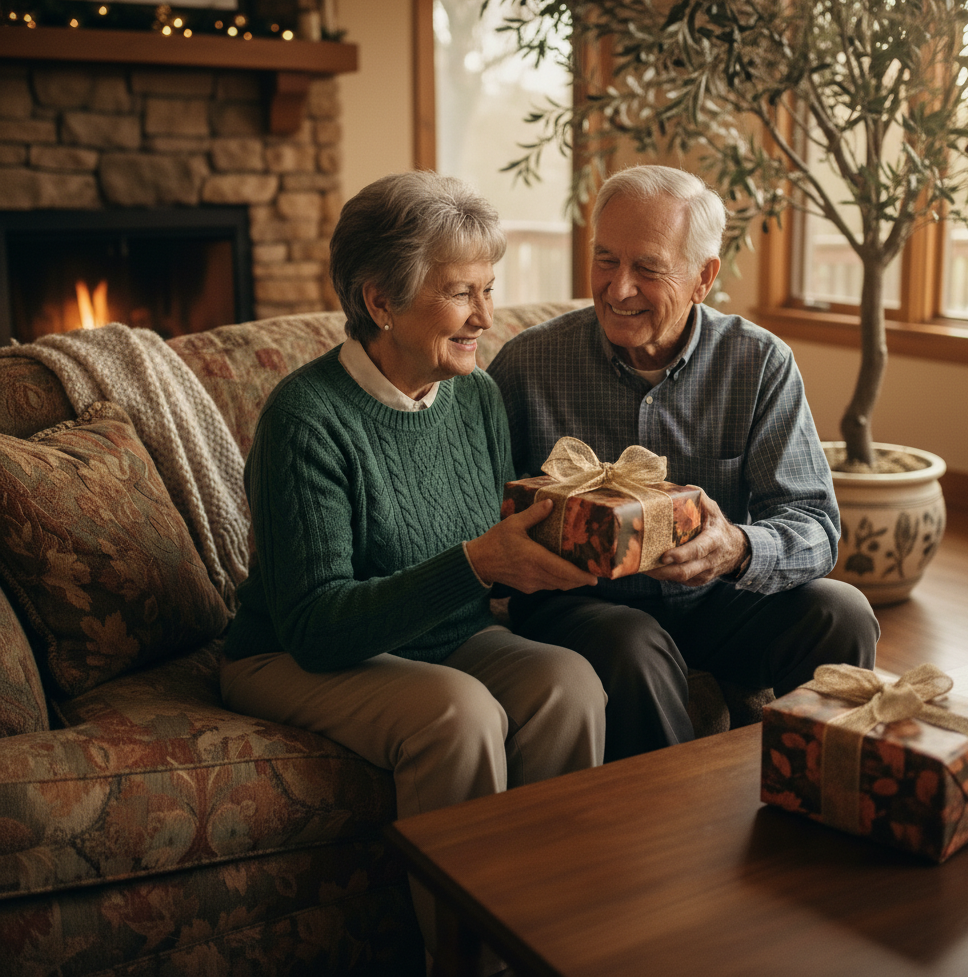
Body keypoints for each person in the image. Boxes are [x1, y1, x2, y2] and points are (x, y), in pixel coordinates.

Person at [220, 171, 606, 961]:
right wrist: (475, 565)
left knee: (570, 684)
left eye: (490, 289)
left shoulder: (476, 396)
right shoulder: (306, 419)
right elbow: (317, 627)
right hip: (289, 652)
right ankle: (467, 960)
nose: (485, 317)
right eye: (462, 292)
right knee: (457, 714)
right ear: (380, 302)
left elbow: (492, 558)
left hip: (442, 634)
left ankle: (554, 938)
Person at [487, 164, 879, 763]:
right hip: (585, 609)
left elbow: (815, 524)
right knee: (632, 642)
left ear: (703, 277)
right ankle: (669, 840)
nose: (618, 289)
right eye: (606, 260)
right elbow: (480, 517)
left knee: (843, 613)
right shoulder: (526, 365)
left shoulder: (759, 363)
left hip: (717, 602)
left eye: (648, 268)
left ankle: (821, 798)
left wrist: (737, 548)